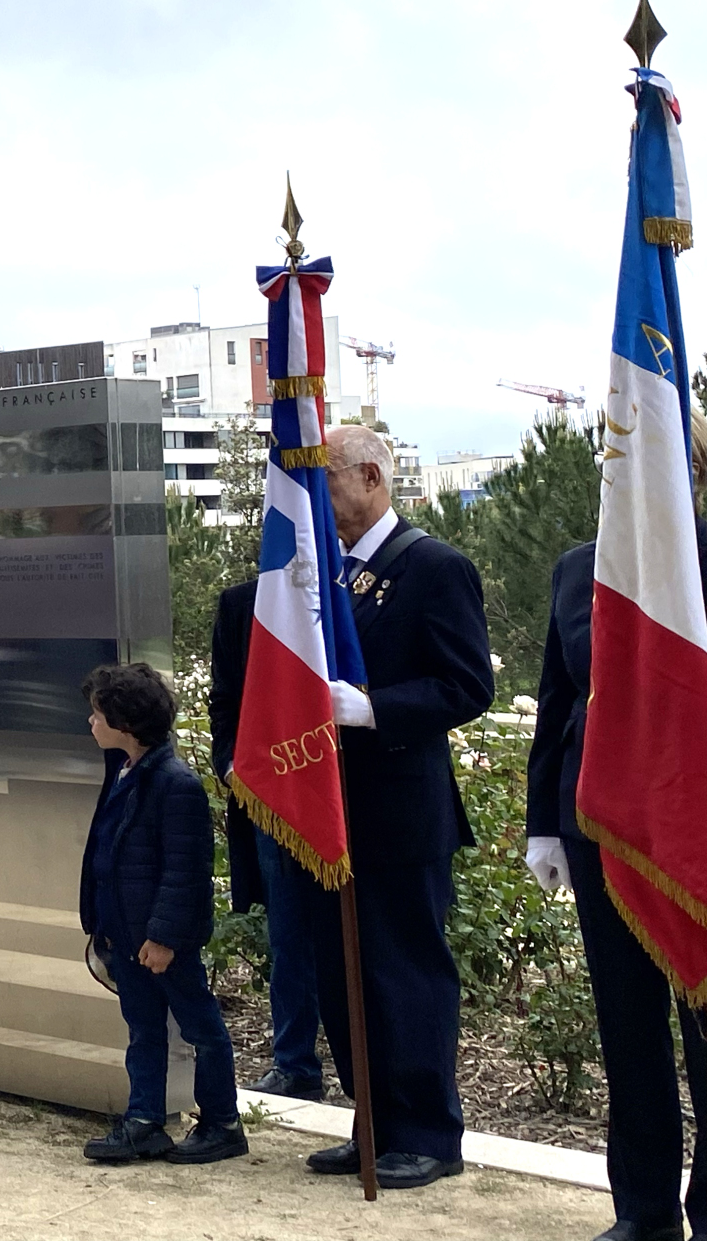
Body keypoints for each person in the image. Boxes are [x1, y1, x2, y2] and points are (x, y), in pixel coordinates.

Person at [298, 423, 493, 1189]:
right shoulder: (326, 574)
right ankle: (372, 1121)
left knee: (405, 972)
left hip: (402, 807)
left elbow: (466, 684)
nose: (322, 495)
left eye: (332, 479)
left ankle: (429, 1132)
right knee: (344, 974)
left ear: (373, 478)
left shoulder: (435, 567)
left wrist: (373, 708)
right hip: (331, 806)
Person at [528, 478, 707, 1241]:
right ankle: (644, 1208)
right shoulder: (579, 566)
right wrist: (543, 823)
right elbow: (557, 702)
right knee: (627, 1030)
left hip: (695, 832)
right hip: (599, 827)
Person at [78, 662, 247, 1165]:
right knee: (143, 1028)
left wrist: (165, 937)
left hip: (161, 942)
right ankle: (144, 1120)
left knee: (199, 1027)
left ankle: (222, 1121)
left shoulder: (175, 784)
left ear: (125, 723)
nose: (90, 722)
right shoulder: (126, 772)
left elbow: (185, 872)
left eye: (98, 714)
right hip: (127, 936)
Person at [207, 577, 325, 1100]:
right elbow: (225, 700)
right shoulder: (241, 604)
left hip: (346, 795)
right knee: (290, 934)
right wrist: (234, 765)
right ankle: (295, 1064)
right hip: (270, 796)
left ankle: (379, 1071)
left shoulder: (349, 592)